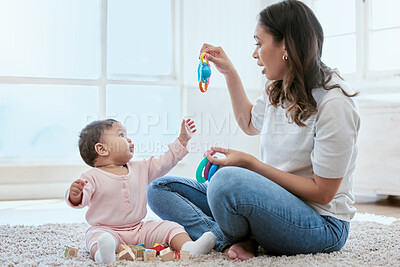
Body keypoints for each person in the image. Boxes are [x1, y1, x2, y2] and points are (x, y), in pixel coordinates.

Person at [147, 0, 360, 262]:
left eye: (259, 43)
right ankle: (225, 239)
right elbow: (249, 123)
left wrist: (250, 164)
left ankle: (241, 236)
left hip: (321, 224)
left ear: (285, 45)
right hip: (273, 205)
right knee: (160, 188)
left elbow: (323, 192)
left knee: (226, 183)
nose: (255, 53)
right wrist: (229, 72)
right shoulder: (280, 88)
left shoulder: (334, 103)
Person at [65, 118, 216, 264]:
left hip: (139, 229)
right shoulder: (91, 177)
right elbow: (81, 199)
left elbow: (164, 162)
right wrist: (75, 195)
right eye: (121, 135)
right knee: (96, 237)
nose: (129, 140)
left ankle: (188, 248)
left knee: (170, 227)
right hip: (107, 230)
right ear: (102, 149)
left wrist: (182, 140)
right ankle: (102, 255)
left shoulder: (140, 168)